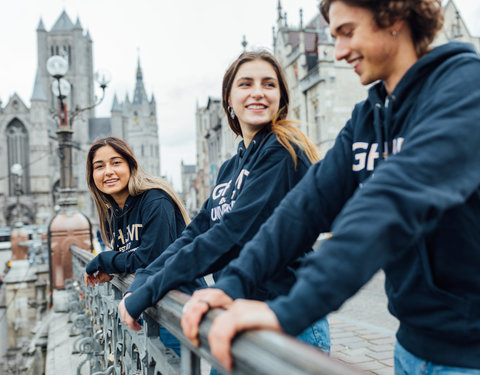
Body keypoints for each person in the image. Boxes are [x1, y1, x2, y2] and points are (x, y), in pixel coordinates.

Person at [181, 0, 480, 373]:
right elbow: (305, 207)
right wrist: (236, 283)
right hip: (410, 348)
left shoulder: (466, 88)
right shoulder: (370, 116)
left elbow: (389, 204)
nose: (338, 52)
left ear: (397, 18)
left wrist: (286, 312)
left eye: (347, 32)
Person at [117, 51, 331, 361]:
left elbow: (231, 235)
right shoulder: (230, 168)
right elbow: (195, 233)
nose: (257, 92)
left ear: (280, 99)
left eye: (268, 84)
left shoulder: (282, 153)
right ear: (229, 100)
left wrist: (147, 293)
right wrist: (143, 278)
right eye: (246, 84)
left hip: (285, 321)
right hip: (236, 320)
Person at [83, 136, 193, 356]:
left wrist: (104, 260)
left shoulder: (155, 200)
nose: (108, 172)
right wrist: (115, 270)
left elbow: (151, 260)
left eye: (116, 163)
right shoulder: (114, 212)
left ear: (131, 166)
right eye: (99, 166)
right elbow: (132, 256)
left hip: (176, 307)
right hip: (147, 305)